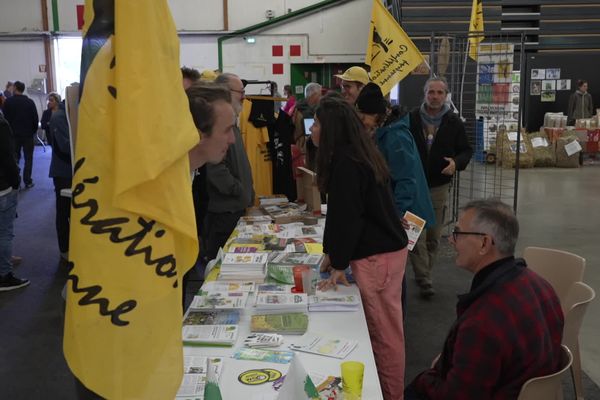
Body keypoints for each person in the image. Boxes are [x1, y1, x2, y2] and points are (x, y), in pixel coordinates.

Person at [405, 199, 564, 399]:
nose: (451, 240)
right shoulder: (540, 285)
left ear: (484, 243)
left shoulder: (483, 320)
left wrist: (426, 378)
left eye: (458, 233)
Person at [314, 96, 409, 400]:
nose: (312, 129)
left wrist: (339, 261)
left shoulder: (347, 162)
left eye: (316, 123)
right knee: (384, 331)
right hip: (383, 252)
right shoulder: (357, 153)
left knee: (383, 336)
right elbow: (343, 214)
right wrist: (333, 254)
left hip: (377, 257)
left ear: (331, 129)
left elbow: (348, 217)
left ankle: (391, 394)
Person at [356, 82, 436, 317]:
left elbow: (406, 180)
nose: (362, 120)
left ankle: (396, 313)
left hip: (406, 212)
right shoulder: (385, 132)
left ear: (377, 114)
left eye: (364, 115)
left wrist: (397, 215)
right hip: (399, 209)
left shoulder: (395, 137)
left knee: (397, 270)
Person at [408, 76, 472, 297]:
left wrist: (456, 163)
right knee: (416, 235)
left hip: (438, 187)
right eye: (431, 92)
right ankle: (423, 278)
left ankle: (425, 272)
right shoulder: (412, 119)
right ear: (424, 94)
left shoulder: (454, 122)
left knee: (434, 236)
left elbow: (466, 150)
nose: (435, 96)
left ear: (446, 96)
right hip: (413, 187)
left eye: (439, 93)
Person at [202, 73, 254, 262]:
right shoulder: (217, 123)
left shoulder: (232, 122)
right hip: (225, 212)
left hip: (234, 208)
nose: (244, 96)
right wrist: (238, 190)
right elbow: (216, 168)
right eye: (241, 92)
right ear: (225, 91)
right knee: (220, 265)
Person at [0, 112, 29, 291]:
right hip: (3, 186)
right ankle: (4, 275)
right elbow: (7, 157)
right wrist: (16, 181)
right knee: (4, 232)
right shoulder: (1, 125)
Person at [1, 81, 39, 189]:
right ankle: (28, 181)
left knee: (14, 158)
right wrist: (32, 131)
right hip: (27, 135)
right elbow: (35, 119)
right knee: (28, 159)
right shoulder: (30, 102)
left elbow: (5, 119)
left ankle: (16, 180)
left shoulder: (8, 102)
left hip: (13, 136)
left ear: (15, 88)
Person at [48, 99, 72, 261]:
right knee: (64, 212)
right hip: (63, 172)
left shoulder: (67, 115)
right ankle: (65, 249)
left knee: (72, 211)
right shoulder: (59, 117)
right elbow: (65, 147)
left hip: (70, 169)